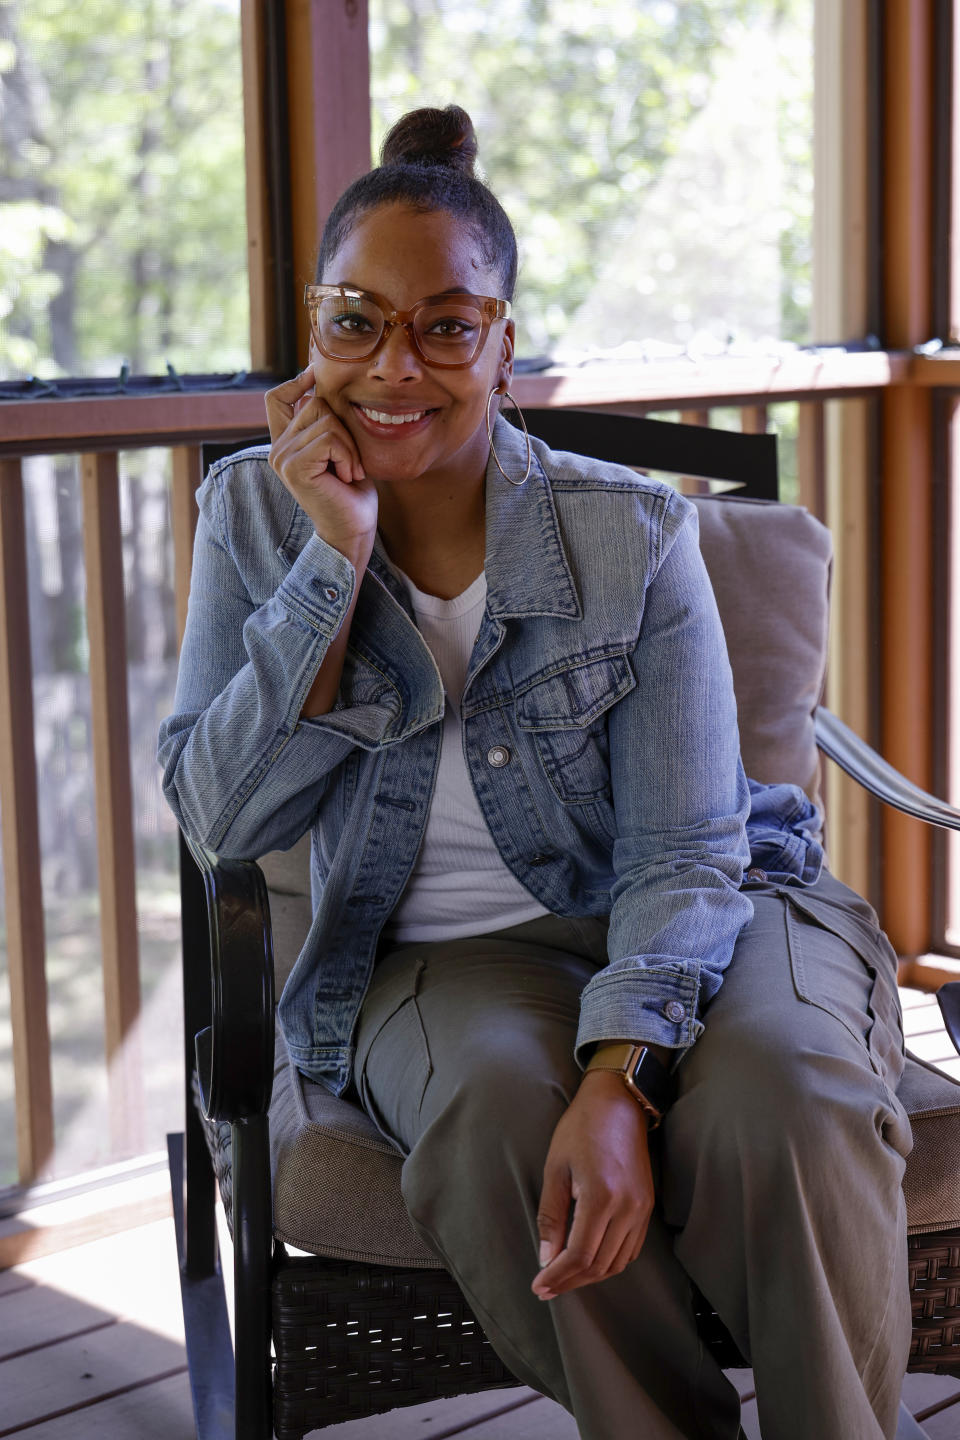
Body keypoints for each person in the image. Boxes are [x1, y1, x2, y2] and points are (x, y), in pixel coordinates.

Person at [159, 105, 913, 1440]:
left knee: (776, 1100)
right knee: (499, 1121)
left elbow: (686, 847)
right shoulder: (253, 521)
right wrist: (330, 570)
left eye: (448, 324)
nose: (397, 364)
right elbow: (221, 815)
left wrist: (621, 1077)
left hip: (718, 911)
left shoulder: (631, 531)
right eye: (358, 319)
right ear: (314, 331)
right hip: (442, 963)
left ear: (504, 347)